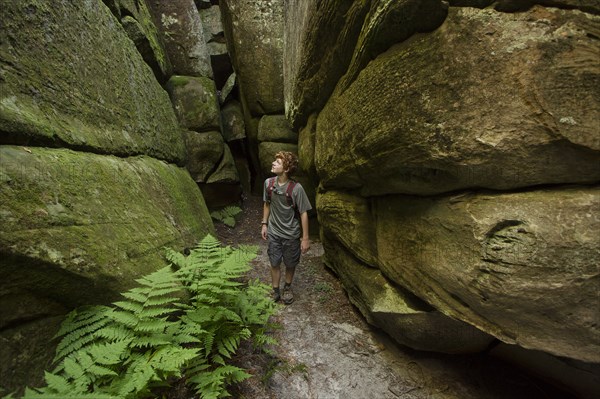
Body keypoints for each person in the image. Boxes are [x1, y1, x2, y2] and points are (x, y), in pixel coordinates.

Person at [261, 151, 312, 304]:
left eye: (278, 162)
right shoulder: (268, 184)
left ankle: (287, 287)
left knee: (290, 263)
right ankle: (275, 290)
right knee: (274, 262)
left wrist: (305, 238)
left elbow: (303, 213)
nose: (273, 163)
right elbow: (267, 204)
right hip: (274, 232)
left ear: (287, 169)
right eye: (274, 161)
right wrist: (264, 223)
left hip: (291, 234)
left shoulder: (296, 189)